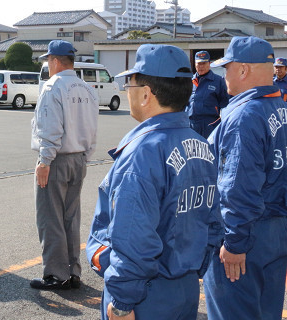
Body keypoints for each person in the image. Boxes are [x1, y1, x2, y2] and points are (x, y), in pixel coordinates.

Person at [86, 44, 223, 320]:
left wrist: (123, 302)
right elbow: (213, 224)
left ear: (146, 94)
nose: (127, 90)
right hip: (183, 288)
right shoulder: (200, 144)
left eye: (131, 83)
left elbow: (133, 237)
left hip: (145, 296)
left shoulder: (143, 152)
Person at [203, 36, 287, 320]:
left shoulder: (244, 116)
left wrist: (235, 243)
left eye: (227, 67)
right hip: (277, 231)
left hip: (247, 235)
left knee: (234, 312)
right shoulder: (282, 107)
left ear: (243, 70)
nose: (223, 74)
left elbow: (238, 186)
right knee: (266, 312)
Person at [30, 40, 98, 290]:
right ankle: (73, 271)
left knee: (51, 218)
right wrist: (85, 156)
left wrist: (44, 161)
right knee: (71, 217)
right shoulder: (87, 89)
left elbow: (50, 129)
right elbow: (92, 130)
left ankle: (56, 275)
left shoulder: (52, 87)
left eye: (48, 60)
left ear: (56, 61)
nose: (48, 65)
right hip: (79, 158)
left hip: (56, 158)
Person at [185, 50, 229, 138]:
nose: (201, 66)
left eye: (204, 63)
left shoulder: (218, 81)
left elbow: (225, 105)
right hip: (191, 126)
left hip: (210, 126)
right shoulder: (189, 82)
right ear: (194, 64)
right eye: (199, 63)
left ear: (209, 63)